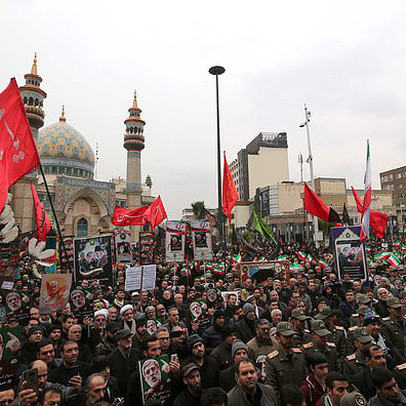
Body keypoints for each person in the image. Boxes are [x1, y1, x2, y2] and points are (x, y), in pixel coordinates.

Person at [266, 322, 307, 398]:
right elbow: (272, 388)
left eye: (291, 336)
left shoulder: (300, 355)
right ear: (278, 338)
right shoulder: (272, 360)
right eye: (286, 337)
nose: (289, 339)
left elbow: (305, 379)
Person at [109, 329, 140, 396]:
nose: (128, 340)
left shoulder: (137, 354)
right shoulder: (112, 358)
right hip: (121, 394)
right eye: (125, 338)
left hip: (136, 393)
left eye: (129, 337)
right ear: (118, 342)